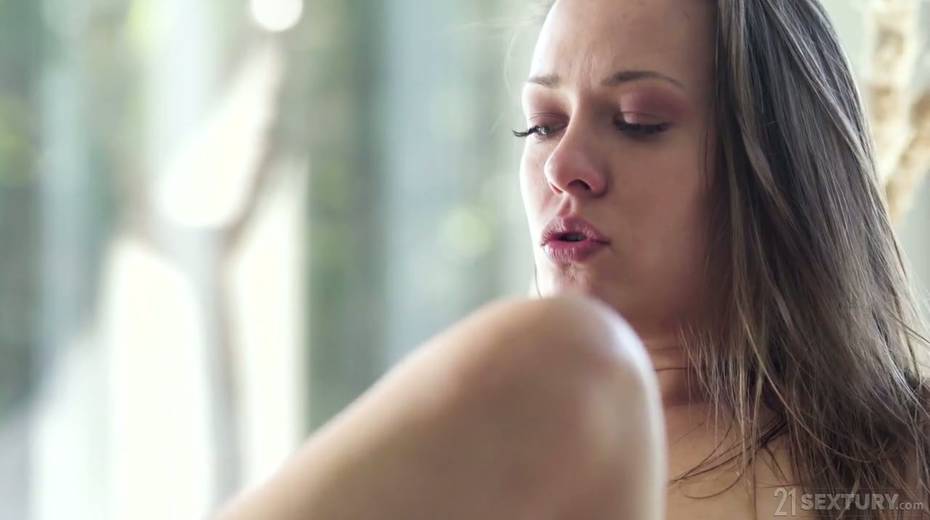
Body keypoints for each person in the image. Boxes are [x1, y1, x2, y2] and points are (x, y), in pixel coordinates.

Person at [215, 0, 930, 518]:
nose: (563, 166)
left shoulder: (905, 461)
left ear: (779, 166)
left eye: (637, 122)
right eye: (543, 124)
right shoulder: (497, 432)